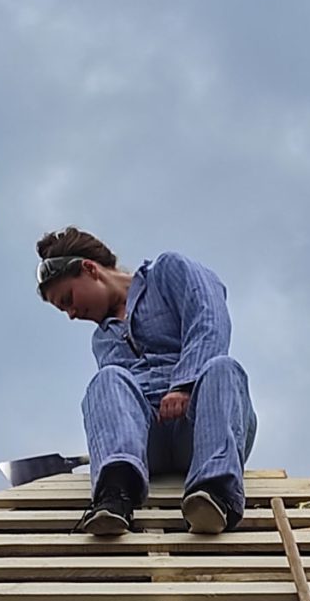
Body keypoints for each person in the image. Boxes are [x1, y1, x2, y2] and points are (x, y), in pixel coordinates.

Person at [35, 226, 257, 536]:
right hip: (150, 439)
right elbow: (119, 401)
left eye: (68, 299)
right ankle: (116, 497)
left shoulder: (168, 272)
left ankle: (215, 496)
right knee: (107, 379)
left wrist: (184, 384)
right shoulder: (103, 338)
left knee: (224, 368)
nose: (72, 313)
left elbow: (209, 319)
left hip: (200, 428)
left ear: (90, 269)